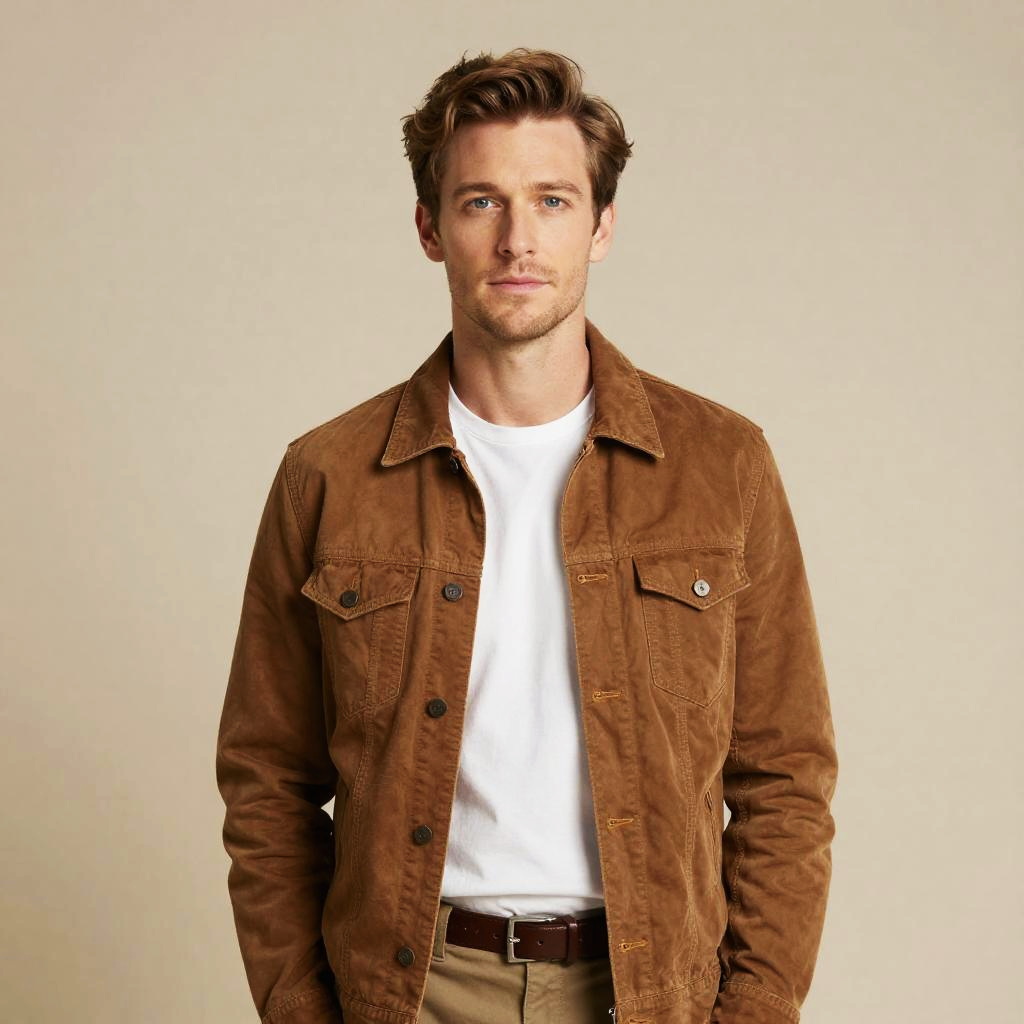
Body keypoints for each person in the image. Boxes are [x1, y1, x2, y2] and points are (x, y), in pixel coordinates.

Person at [216, 47, 839, 1024]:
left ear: (601, 225)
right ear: (430, 228)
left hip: (646, 990)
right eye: (481, 202)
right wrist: (303, 1009)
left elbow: (786, 776)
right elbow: (265, 784)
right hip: (412, 992)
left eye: (552, 200)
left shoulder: (722, 466)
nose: (518, 240)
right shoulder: (328, 476)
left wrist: (754, 1009)